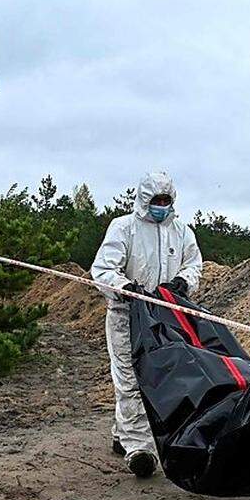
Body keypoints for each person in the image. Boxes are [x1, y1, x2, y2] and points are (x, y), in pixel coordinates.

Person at [91, 172, 203, 478]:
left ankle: (121, 431)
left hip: (165, 318)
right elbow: (102, 269)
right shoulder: (124, 228)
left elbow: (194, 264)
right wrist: (127, 288)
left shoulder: (181, 232)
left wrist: (184, 282)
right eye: (156, 201)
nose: (162, 206)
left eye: (166, 201)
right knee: (128, 378)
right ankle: (139, 449)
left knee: (157, 379)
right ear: (144, 200)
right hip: (126, 315)